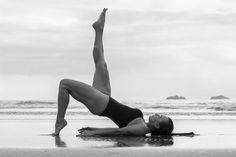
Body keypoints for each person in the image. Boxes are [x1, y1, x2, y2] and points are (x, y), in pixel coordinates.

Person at [53, 8, 174, 136]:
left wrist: (94, 133)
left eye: (160, 116)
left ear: (157, 125)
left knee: (64, 84)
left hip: (101, 104)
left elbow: (119, 131)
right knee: (101, 63)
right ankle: (99, 29)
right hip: (105, 99)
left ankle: (60, 120)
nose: (157, 114)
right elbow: (118, 129)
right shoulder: (142, 122)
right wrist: (93, 129)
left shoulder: (142, 128)